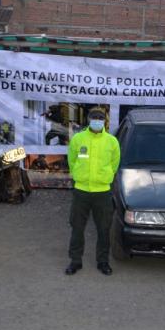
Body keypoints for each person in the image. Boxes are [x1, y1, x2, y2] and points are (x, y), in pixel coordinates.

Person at [65, 107, 120, 276]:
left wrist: (106, 177)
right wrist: (77, 175)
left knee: (104, 229)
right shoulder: (78, 139)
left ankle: (103, 262)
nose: (97, 120)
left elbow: (114, 164)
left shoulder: (112, 141)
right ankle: (75, 261)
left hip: (102, 192)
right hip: (81, 191)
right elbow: (72, 160)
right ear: (89, 120)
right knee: (77, 227)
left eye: (100, 117)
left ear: (104, 121)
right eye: (94, 117)